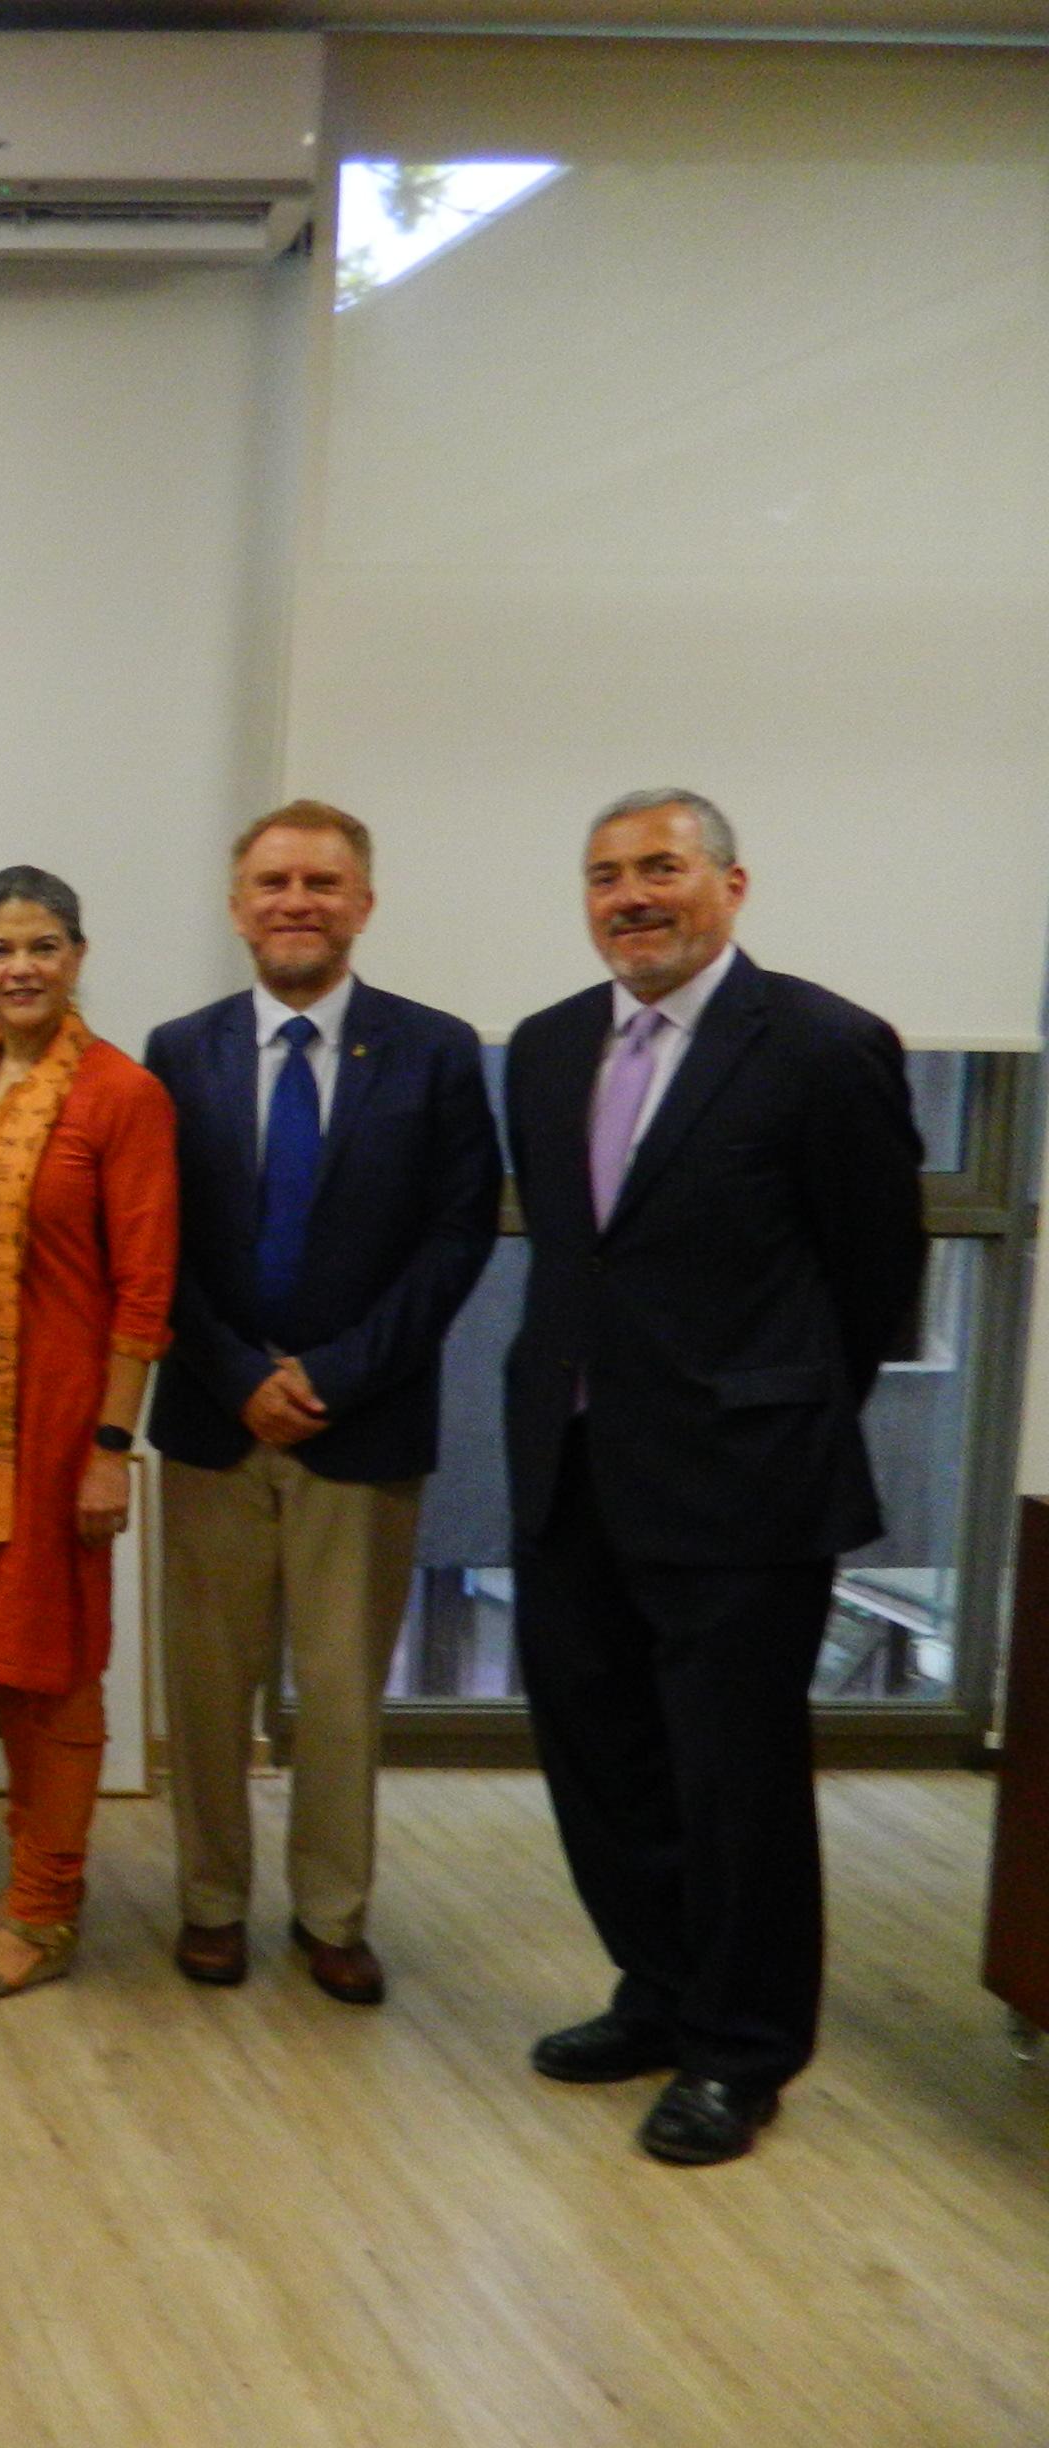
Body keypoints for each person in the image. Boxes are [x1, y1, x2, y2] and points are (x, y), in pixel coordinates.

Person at [503, 789, 922, 2165]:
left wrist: (778, 1413)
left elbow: (874, 1278)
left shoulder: (819, 1044)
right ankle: (660, 1992)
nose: (632, 895)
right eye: (607, 874)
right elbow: (579, 1258)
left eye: (662, 869)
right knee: (602, 1760)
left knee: (734, 1781)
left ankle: (743, 2052)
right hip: (573, 1465)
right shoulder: (553, 1048)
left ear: (732, 885)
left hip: (744, 1486)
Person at [143, 803, 498, 2004]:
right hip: (211, 1416)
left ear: (364, 901)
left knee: (343, 1693)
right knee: (203, 1689)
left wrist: (337, 1373)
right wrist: (239, 1372)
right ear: (237, 905)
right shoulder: (177, 1049)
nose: (297, 900)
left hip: (365, 1421)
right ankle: (209, 1904)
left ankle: (333, 1915)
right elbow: (156, 1243)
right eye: (273, 881)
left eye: (323, 882)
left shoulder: (436, 1049)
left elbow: (456, 1238)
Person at [0, 865, 176, 2001]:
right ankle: (28, 1882)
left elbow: (145, 1290)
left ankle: (47, 1913)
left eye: (45, 946)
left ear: (78, 956)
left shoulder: (122, 1095)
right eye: (3, 949)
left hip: (64, 1430)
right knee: (4, 1672)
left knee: (55, 1671)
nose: (23, 968)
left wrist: (112, 1447)